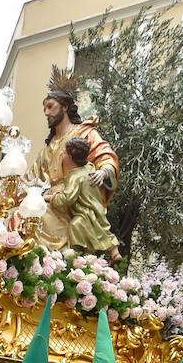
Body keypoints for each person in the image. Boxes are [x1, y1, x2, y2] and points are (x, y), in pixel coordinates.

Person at [28, 67, 120, 250]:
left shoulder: (85, 133)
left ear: (65, 107)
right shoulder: (46, 150)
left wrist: (104, 172)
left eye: (50, 107)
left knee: (41, 217)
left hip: (71, 199)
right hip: (49, 199)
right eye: (44, 109)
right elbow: (32, 179)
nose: (46, 113)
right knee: (20, 215)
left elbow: (106, 156)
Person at [46, 137, 120, 259]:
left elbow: (67, 198)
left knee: (76, 226)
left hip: (84, 211)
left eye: (64, 153)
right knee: (102, 229)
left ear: (70, 157)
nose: (62, 156)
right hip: (96, 207)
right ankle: (114, 251)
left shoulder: (75, 176)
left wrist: (52, 198)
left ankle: (84, 255)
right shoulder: (89, 167)